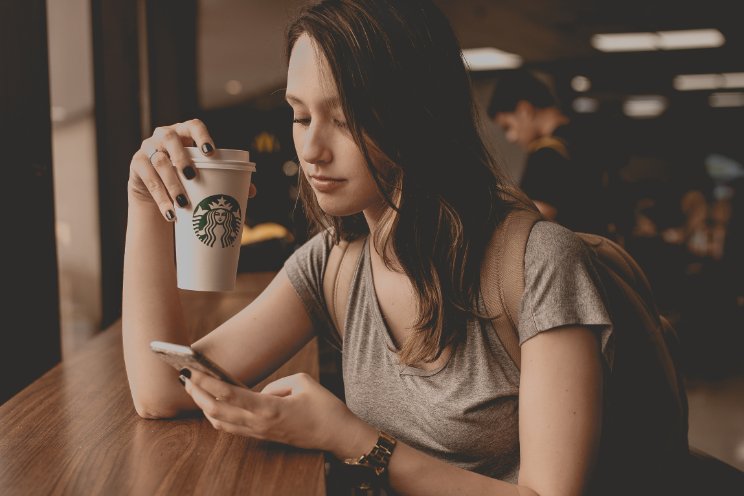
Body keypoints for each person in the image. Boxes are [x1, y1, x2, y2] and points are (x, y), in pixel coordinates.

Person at [123, 1, 616, 494]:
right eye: (299, 116)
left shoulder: (539, 262)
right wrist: (145, 201)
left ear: (419, 116)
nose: (311, 149)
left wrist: (350, 437)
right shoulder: (333, 263)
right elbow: (163, 390)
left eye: (344, 118)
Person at [487, 69, 607, 235]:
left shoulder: (546, 154)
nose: (511, 137)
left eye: (508, 127)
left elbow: (531, 222)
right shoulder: (588, 136)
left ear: (524, 110)